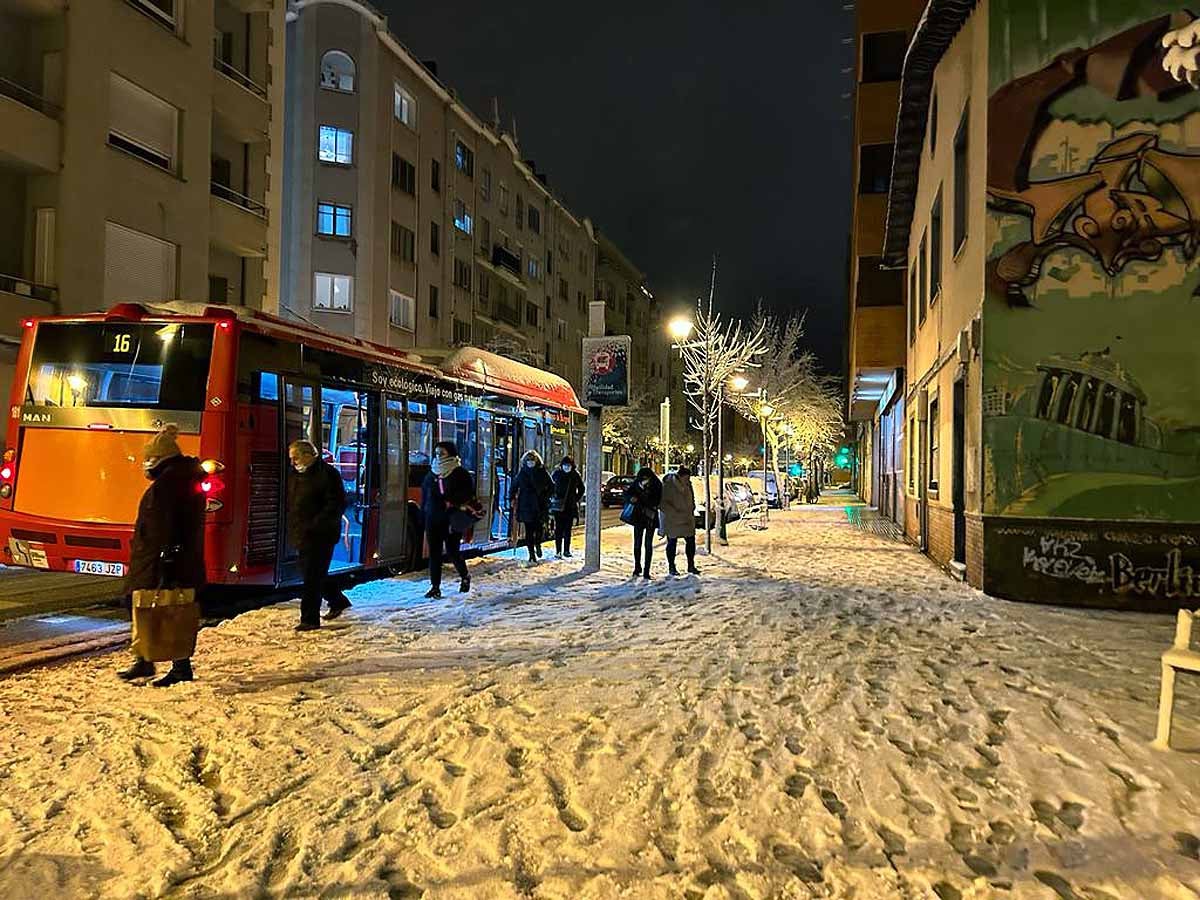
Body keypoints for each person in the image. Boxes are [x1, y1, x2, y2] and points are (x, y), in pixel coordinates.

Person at [118, 424, 206, 688]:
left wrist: (164, 558)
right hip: (162, 557)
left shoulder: (170, 485)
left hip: (162, 560)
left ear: (163, 459)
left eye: (151, 459)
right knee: (150, 607)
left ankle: (177, 667)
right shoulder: (178, 479)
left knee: (168, 611)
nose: (146, 465)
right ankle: (146, 659)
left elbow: (165, 526)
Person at [287, 440, 350, 630]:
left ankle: (309, 619)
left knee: (311, 577)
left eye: (296, 458)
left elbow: (336, 504)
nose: (293, 462)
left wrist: (316, 524)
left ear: (308, 455)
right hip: (301, 532)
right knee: (312, 573)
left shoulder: (328, 474)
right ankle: (337, 600)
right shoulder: (295, 475)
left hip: (321, 534)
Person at [421, 440, 475, 598]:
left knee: (452, 551)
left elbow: (467, 494)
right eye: (437, 453)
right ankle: (435, 586)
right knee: (435, 553)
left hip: (451, 518)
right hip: (433, 518)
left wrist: (451, 500)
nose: (438, 456)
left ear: (451, 453)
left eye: (442, 453)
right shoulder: (432, 472)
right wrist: (423, 514)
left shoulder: (460, 473)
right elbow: (425, 496)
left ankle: (465, 576)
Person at [511, 449, 554, 564]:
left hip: (540, 505)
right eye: (528, 460)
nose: (530, 462)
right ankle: (531, 555)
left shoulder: (542, 472)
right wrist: (512, 498)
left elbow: (551, 486)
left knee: (539, 529)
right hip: (526, 505)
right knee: (529, 531)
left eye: (532, 460)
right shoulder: (522, 473)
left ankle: (538, 544)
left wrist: (546, 496)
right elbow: (514, 487)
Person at [660, 465, 700, 576]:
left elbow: (691, 497)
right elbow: (662, 503)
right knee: (672, 542)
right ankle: (671, 567)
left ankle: (691, 565)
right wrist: (673, 512)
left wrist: (692, 507)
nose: (688, 480)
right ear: (680, 476)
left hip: (687, 518)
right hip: (673, 519)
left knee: (691, 541)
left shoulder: (688, 484)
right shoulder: (668, 485)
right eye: (686, 478)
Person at [622, 466, 662, 579]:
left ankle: (646, 570)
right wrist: (631, 498)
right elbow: (627, 494)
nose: (644, 479)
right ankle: (637, 566)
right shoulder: (636, 484)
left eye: (646, 478)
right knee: (637, 544)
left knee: (648, 544)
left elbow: (657, 500)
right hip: (638, 517)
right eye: (642, 478)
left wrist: (642, 498)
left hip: (650, 517)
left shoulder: (656, 485)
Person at [550, 456, 584, 559]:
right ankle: (558, 550)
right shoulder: (557, 474)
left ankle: (566, 550)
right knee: (559, 529)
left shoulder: (575, 475)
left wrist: (575, 499)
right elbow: (550, 486)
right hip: (558, 506)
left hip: (570, 507)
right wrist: (553, 498)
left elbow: (582, 488)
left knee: (567, 530)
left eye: (568, 465)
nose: (566, 467)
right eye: (565, 465)